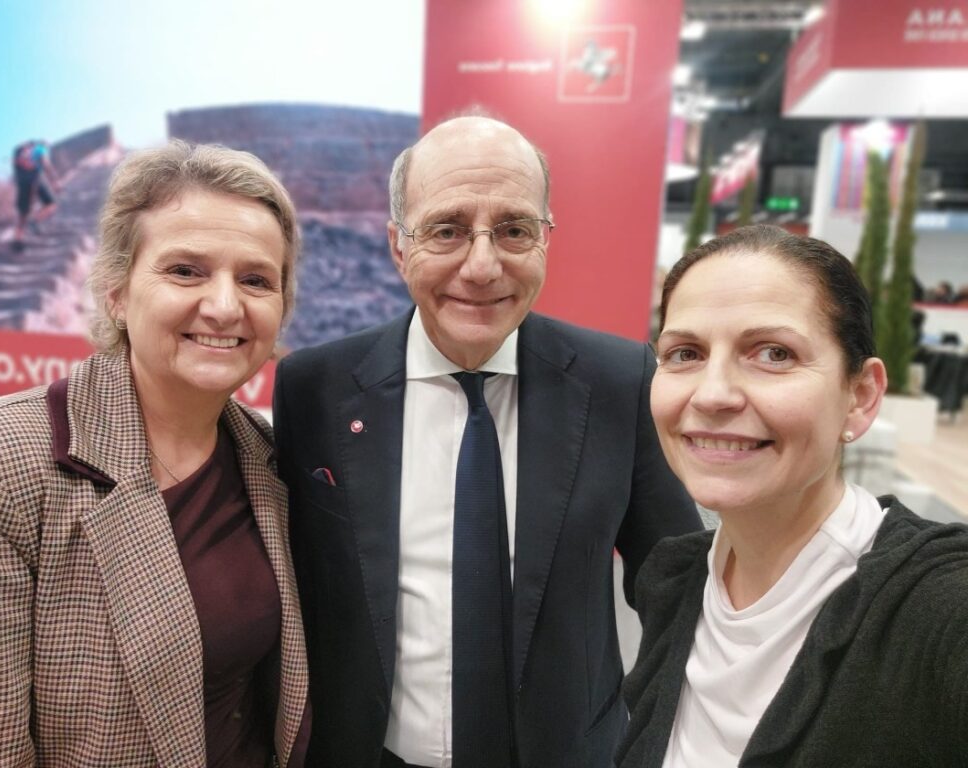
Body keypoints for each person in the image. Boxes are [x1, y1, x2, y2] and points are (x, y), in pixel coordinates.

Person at [273, 115, 700, 768]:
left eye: (513, 230)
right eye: (446, 230)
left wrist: (654, 742)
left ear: (545, 239)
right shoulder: (316, 388)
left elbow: (677, 588)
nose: (481, 266)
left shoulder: (619, 381)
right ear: (398, 246)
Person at [0, 141, 308, 766]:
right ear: (116, 292)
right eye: (185, 271)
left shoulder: (271, 456)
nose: (225, 306)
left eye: (255, 280)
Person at [619, 225, 968, 767]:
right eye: (685, 352)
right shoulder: (674, 580)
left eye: (774, 353)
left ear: (860, 396)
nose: (712, 394)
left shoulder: (937, 608)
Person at [12, 139, 60, 250]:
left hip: (22, 181)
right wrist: (55, 181)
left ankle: (18, 240)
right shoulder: (40, 148)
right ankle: (34, 221)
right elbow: (46, 163)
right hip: (35, 178)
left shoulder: (21, 151)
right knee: (51, 203)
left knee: (23, 212)